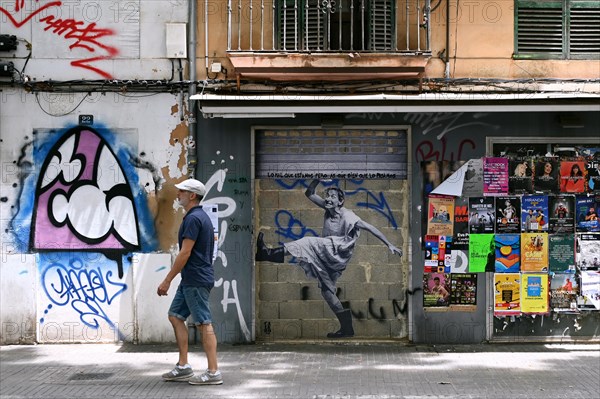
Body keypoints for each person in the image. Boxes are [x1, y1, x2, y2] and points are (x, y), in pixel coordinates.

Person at [255, 179, 402, 338]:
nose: (328, 199)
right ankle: (347, 329)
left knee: (307, 242)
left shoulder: (348, 216)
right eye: (327, 196)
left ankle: (267, 253)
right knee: (327, 292)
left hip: (337, 253)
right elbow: (309, 193)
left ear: (341, 201)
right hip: (329, 259)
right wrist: (317, 178)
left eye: (332, 196)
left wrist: (389, 244)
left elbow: (370, 227)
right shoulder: (328, 207)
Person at [157, 178, 223, 385]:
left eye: (181, 191)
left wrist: (167, 280)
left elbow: (185, 253)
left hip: (195, 279)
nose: (178, 194)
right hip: (191, 279)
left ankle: (213, 373)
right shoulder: (199, 217)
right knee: (176, 316)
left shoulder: (194, 219)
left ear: (192, 195)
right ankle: (184, 366)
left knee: (204, 324)